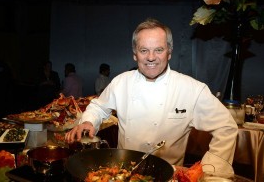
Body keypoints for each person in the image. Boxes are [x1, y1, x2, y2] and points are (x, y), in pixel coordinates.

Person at [65, 18, 238, 175]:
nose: (151, 57)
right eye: (144, 50)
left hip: (168, 176)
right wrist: (89, 121)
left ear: (169, 52)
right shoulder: (121, 82)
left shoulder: (192, 89)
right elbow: (98, 106)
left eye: (159, 50)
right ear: (135, 54)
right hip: (123, 173)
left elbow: (226, 127)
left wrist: (210, 171)